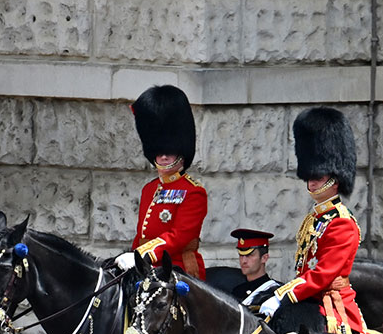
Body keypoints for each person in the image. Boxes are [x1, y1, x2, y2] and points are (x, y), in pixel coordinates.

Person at [251, 107, 365, 334]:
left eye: (318, 178)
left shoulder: (342, 222)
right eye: (310, 177)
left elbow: (323, 275)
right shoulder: (315, 217)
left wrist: (283, 295)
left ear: (335, 179)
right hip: (308, 297)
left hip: (331, 306)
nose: (312, 184)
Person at [115, 85, 205, 280]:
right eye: (159, 150)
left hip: (177, 268)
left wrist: (142, 255)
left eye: (169, 151)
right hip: (146, 266)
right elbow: (141, 235)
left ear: (181, 152)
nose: (163, 156)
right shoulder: (149, 189)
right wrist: (133, 257)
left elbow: (178, 237)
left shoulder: (193, 192)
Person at [225, 229, 277, 302]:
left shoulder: (274, 293)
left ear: (264, 258)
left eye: (249, 255)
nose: (243, 261)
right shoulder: (237, 291)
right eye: (241, 255)